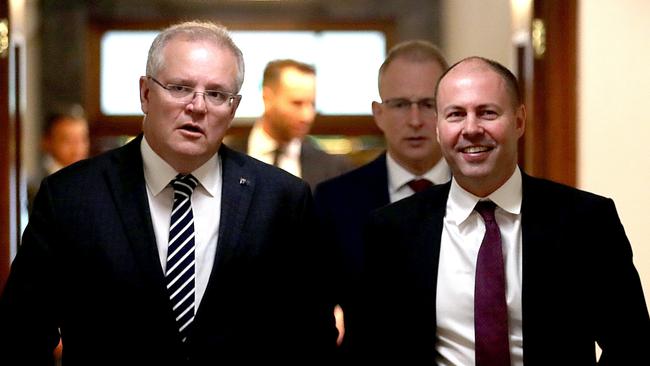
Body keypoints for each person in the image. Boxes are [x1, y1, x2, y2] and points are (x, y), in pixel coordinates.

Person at [0, 21, 336, 365]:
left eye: (217, 94)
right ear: (145, 93)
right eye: (179, 88)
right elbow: (21, 335)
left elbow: (312, 341)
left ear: (233, 109)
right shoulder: (72, 196)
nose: (198, 106)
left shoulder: (282, 199)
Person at [355, 56, 650, 365]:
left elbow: (631, 344)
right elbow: (370, 349)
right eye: (455, 115)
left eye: (487, 113)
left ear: (519, 120)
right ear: (439, 129)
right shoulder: (392, 229)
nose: (471, 129)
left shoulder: (587, 221)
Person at [313, 40, 450, 352]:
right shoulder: (336, 200)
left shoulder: (478, 191)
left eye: (428, 105)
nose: (415, 120)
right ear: (378, 113)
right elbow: (312, 314)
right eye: (400, 104)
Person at [232, 59, 351, 189]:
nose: (307, 116)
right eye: (297, 103)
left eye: (312, 104)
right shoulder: (225, 159)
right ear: (268, 98)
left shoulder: (333, 168)